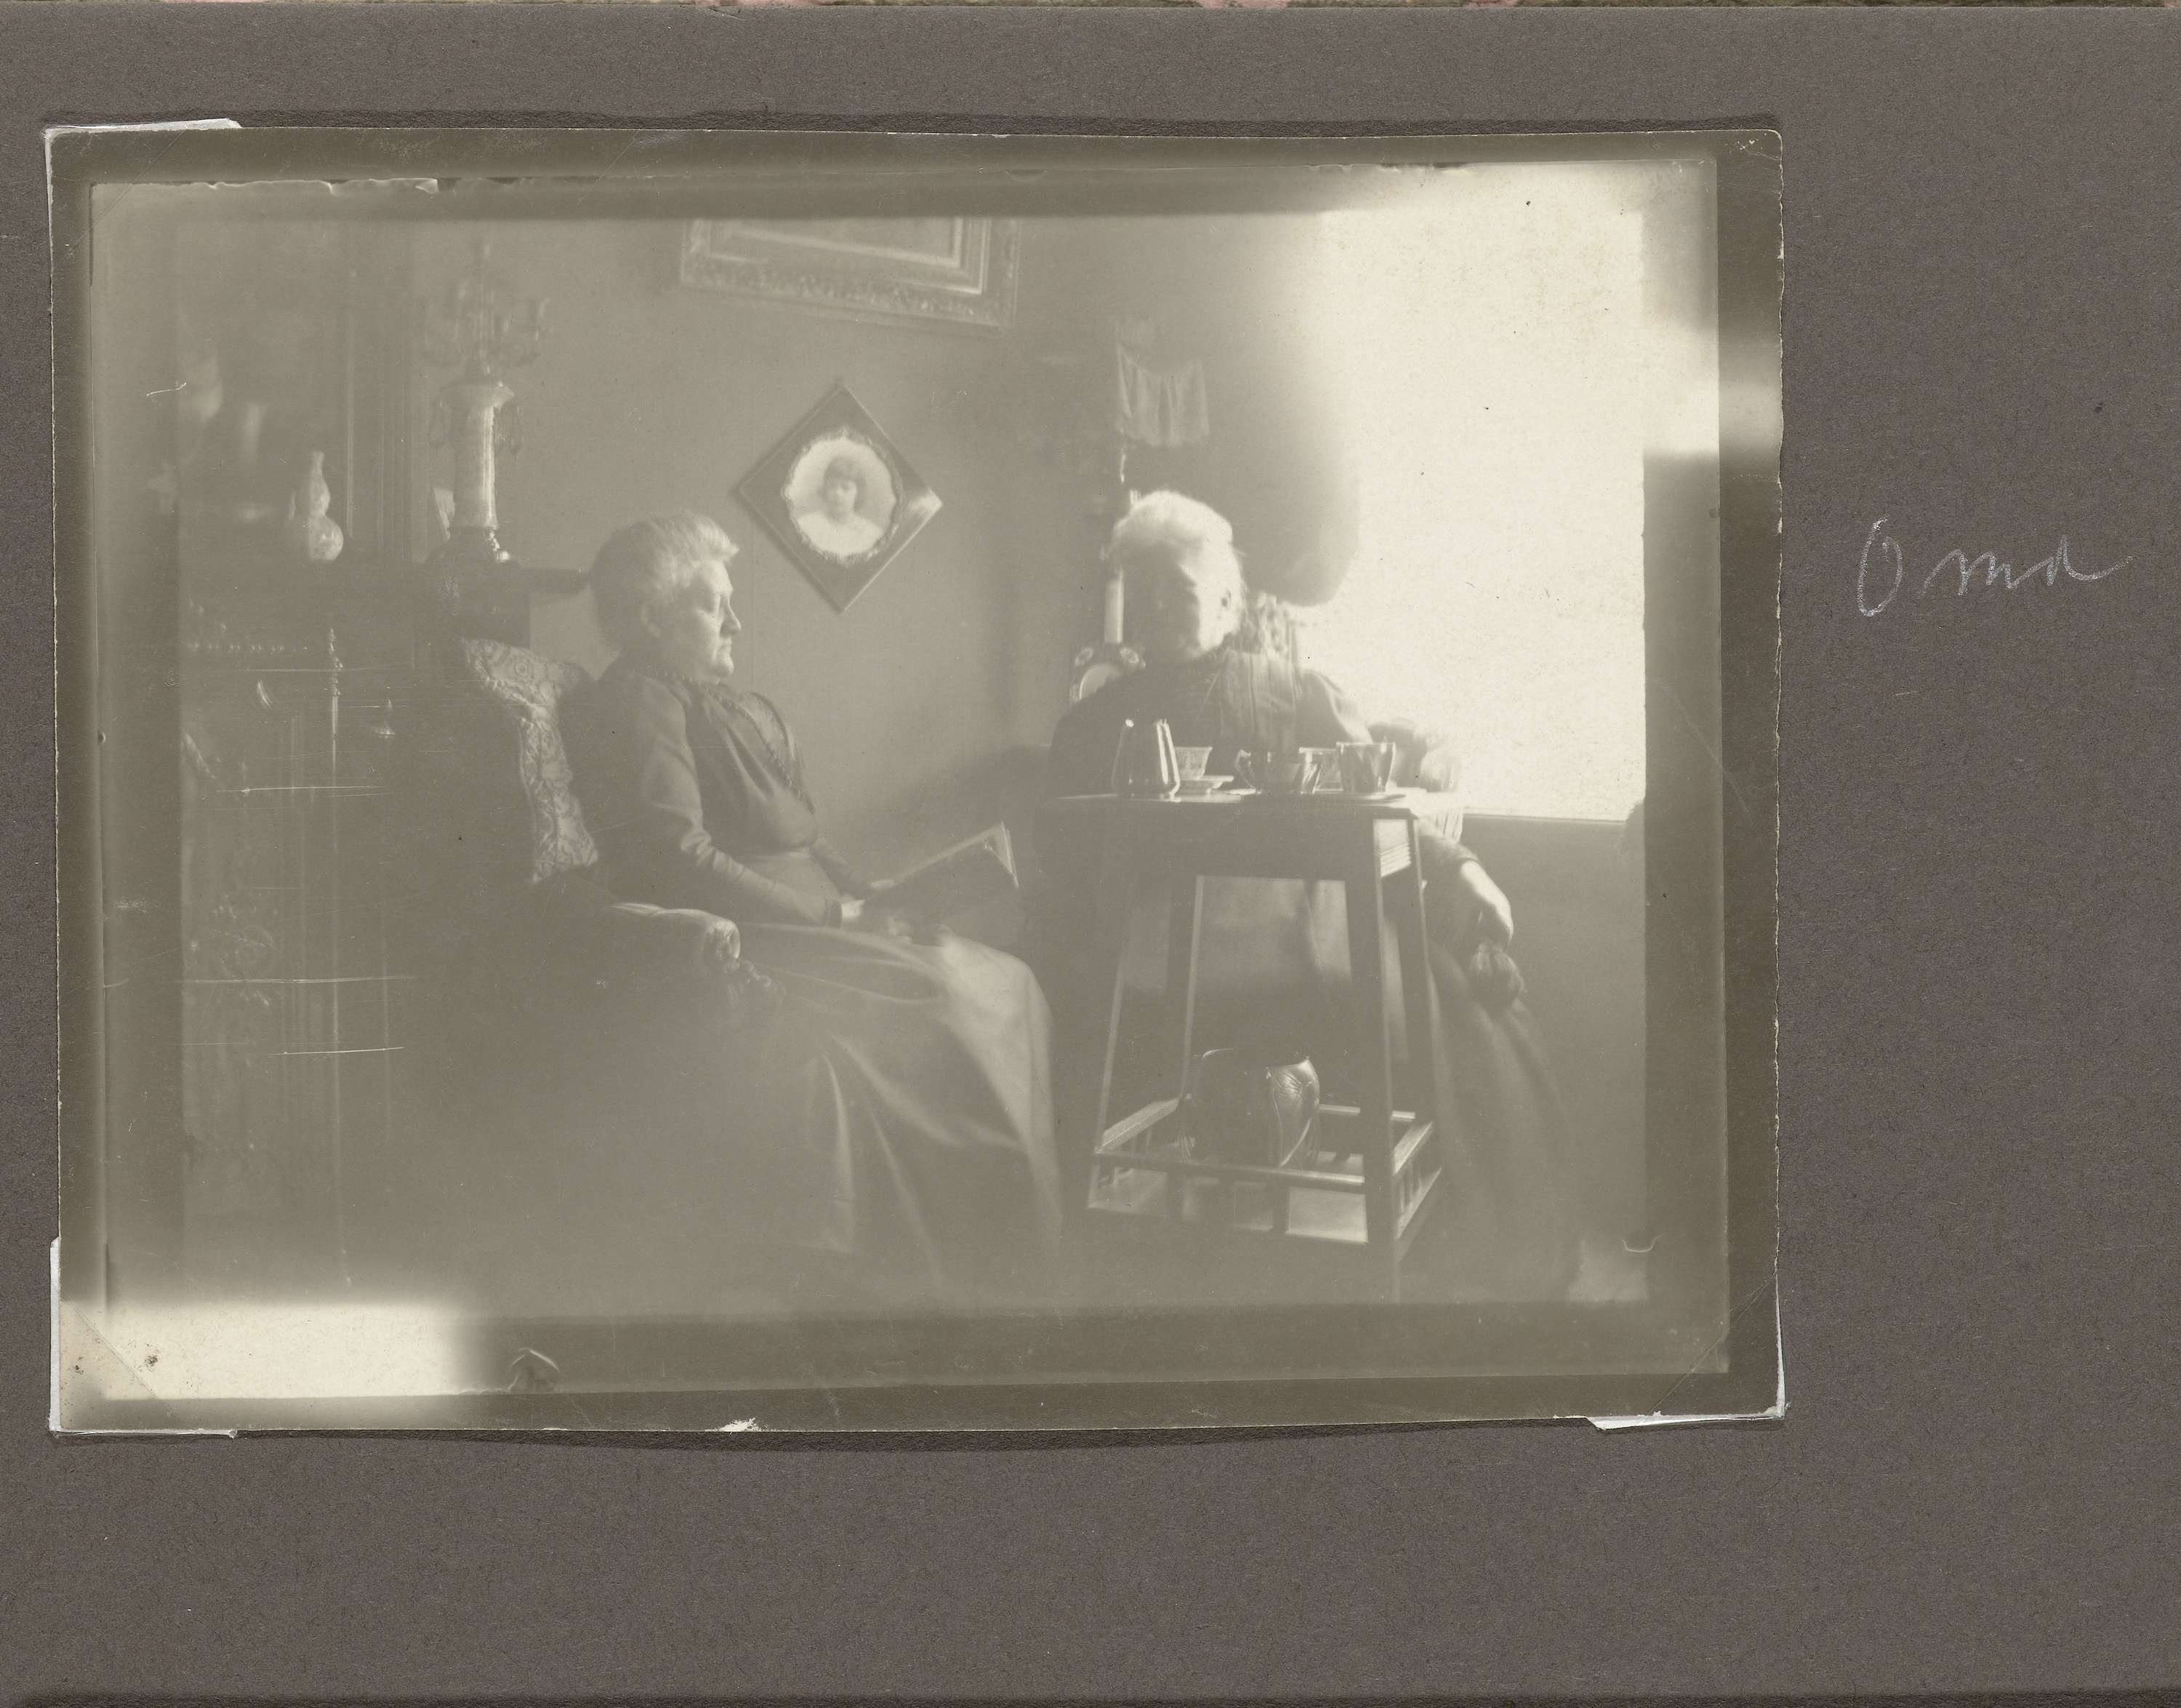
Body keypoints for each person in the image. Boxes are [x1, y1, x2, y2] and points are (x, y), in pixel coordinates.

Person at [1030, 490, 1580, 1300]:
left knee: (1449, 1000)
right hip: (1155, 937)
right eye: (1142, 590)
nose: (1157, 607)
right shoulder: (1093, 723)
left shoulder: (1296, 692)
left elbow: (1380, 807)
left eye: (1178, 588)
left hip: (1302, 917)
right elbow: (1066, 856)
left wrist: (1460, 867)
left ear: (1228, 602)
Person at [565, 512, 1061, 1303]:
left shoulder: (713, 700)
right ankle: (959, 1268)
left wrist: (872, 893)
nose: (736, 621)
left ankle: (1010, 1249)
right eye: (713, 605)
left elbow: (804, 831)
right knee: (949, 1001)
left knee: (1007, 980)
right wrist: (836, 920)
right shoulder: (642, 700)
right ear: (653, 618)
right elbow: (679, 855)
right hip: (766, 931)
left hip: (822, 915)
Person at [792, 452, 885, 560]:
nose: (837, 494)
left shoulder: (872, 534)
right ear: (825, 490)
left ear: (858, 493)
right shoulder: (806, 526)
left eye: (846, 488)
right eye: (832, 486)